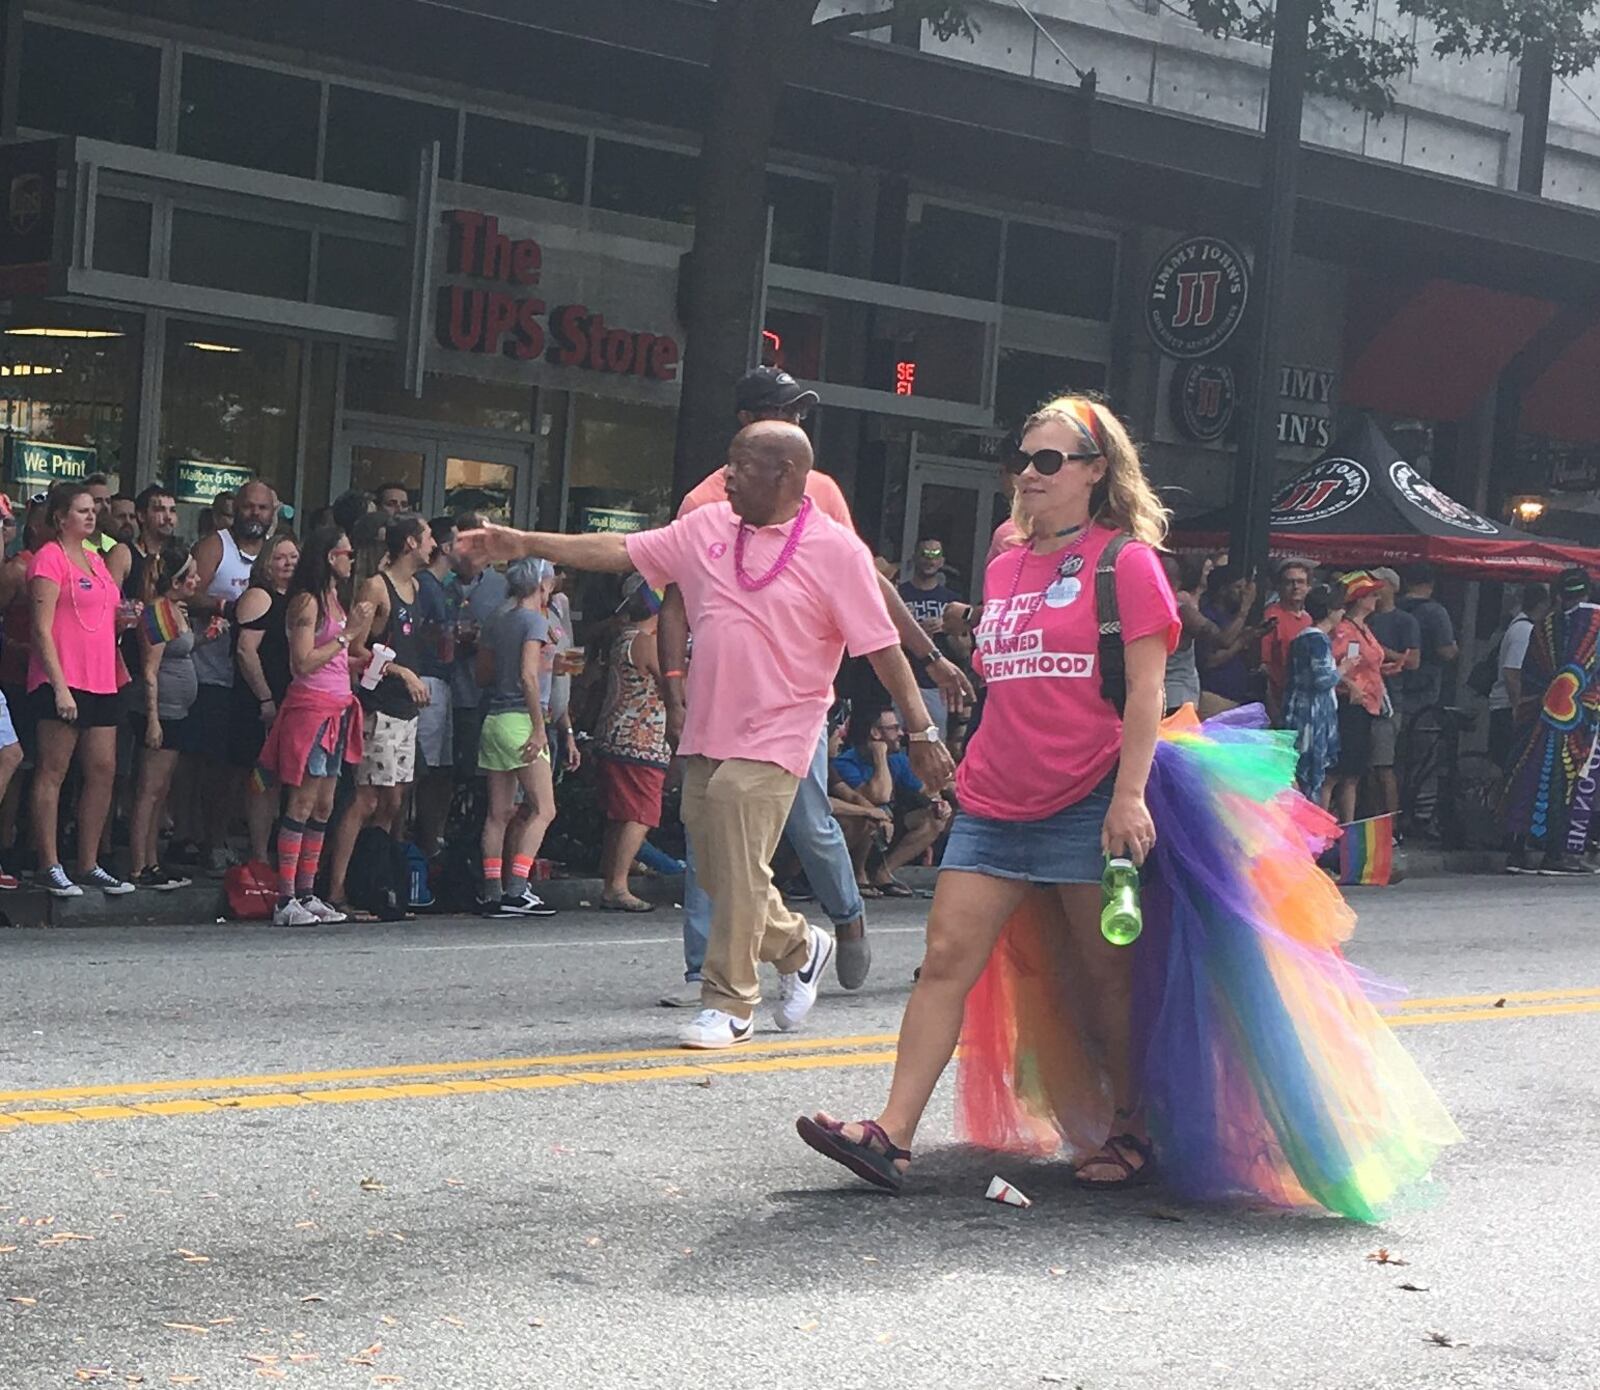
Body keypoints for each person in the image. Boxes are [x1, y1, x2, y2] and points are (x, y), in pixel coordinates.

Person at [795, 396, 1460, 1219]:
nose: (1028, 474)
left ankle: (1130, 1125)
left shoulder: (1128, 564)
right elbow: (1012, 683)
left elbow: (1148, 691)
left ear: (1095, 471)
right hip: (997, 799)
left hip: (1089, 798)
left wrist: (1129, 797)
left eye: (1049, 460)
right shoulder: (1005, 564)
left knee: (1106, 978)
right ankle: (890, 1135)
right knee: (944, 961)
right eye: (1021, 457)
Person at [459, 420, 952, 1049]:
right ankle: (800, 946)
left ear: (786, 475)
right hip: (709, 728)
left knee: (737, 855)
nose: (726, 476)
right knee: (720, 872)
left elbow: (882, 650)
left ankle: (729, 1001)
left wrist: (922, 729)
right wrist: (522, 541)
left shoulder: (837, 551)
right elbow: (619, 551)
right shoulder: (709, 527)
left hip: (782, 730)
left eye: (741, 466)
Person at [660, 367, 972, 998]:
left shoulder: (819, 489)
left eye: (801, 416)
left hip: (794, 701)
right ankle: (707, 968)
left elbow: (869, 582)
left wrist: (929, 653)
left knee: (811, 822)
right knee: (709, 830)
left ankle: (846, 919)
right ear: (748, 422)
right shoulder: (705, 500)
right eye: (784, 413)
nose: (798, 425)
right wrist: (674, 685)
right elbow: (672, 600)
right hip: (723, 700)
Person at [258, 527, 375, 926]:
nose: (351, 559)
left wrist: (359, 659)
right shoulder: (308, 601)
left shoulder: (333, 600)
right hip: (311, 709)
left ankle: (306, 892)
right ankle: (285, 896)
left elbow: (332, 655)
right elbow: (303, 661)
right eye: (347, 552)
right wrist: (346, 637)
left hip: (338, 705)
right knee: (303, 801)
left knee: (324, 804)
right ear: (330, 556)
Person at [27, 481, 138, 898]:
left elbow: (104, 615)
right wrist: (58, 687)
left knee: (103, 770)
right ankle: (49, 863)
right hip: (63, 677)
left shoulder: (96, 558)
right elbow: (41, 628)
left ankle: (89, 861)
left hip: (101, 677)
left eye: (93, 510)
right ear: (60, 517)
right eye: (82, 511)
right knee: (53, 770)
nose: (91, 517)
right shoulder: (49, 559)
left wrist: (124, 621)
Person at [324, 514, 435, 913]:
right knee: (367, 797)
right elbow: (353, 648)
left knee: (394, 800)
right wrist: (400, 671)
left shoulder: (417, 586)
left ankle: (374, 877)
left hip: (407, 709)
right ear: (409, 543)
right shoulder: (377, 586)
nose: (433, 545)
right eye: (428, 538)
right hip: (380, 705)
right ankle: (336, 885)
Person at [189, 479, 278, 872]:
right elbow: (187, 592)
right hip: (211, 672)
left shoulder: (277, 553)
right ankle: (205, 839)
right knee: (212, 766)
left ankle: (243, 840)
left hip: (255, 679)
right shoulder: (215, 546)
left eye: (262, 508)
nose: (255, 514)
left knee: (248, 766)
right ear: (235, 508)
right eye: (248, 507)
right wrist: (229, 607)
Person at [474, 557, 560, 918]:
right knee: (544, 808)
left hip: (494, 718)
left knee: (498, 813)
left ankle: (491, 890)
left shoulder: (499, 619)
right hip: (521, 720)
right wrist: (540, 727)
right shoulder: (535, 621)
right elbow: (529, 677)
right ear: (542, 586)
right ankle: (518, 887)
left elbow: (483, 673)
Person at [1502, 568, 1600, 875]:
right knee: (1573, 780)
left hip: (1540, 714)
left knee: (1527, 773)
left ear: (1559, 595)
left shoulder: (1543, 625)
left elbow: (1531, 672)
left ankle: (1518, 850)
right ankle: (1558, 853)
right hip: (1580, 717)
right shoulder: (1596, 623)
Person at [129, 544, 206, 890]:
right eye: (191, 575)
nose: (198, 580)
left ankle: (152, 860)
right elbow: (149, 670)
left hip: (179, 709)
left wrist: (205, 638)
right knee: (148, 789)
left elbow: (181, 649)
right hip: (162, 711)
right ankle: (137, 865)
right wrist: (153, 719)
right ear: (176, 581)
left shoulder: (177, 609)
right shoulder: (156, 613)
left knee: (161, 791)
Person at [593, 574, 670, 913]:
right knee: (641, 814)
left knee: (620, 814)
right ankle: (617, 885)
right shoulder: (646, 642)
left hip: (615, 733)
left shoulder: (621, 636)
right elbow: (675, 683)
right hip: (641, 740)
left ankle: (612, 874)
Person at [830, 707, 952, 896]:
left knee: (935, 818)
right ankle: (858, 873)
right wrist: (880, 756)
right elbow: (880, 796)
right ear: (875, 733)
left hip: (889, 827)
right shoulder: (846, 763)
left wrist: (938, 801)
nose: (901, 734)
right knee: (870, 818)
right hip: (859, 830)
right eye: (894, 728)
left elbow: (923, 790)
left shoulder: (898, 759)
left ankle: (884, 874)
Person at [232, 534, 300, 864]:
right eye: (280, 557)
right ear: (266, 563)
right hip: (261, 701)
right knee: (263, 779)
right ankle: (258, 854)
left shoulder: (300, 599)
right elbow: (246, 651)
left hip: (292, 699)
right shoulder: (260, 596)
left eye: (293, 557)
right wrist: (265, 698)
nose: (288, 563)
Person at [412, 516, 458, 859]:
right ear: (444, 547)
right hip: (426, 679)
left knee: (439, 769)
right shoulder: (425, 585)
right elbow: (420, 634)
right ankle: (408, 841)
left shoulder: (442, 586)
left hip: (442, 680)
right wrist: (448, 636)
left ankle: (430, 842)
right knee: (421, 767)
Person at [1282, 582, 1353, 806]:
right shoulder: (1318, 640)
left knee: (1299, 773)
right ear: (1330, 610)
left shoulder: (1302, 638)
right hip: (1311, 717)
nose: (1343, 611)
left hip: (1297, 710)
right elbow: (1323, 680)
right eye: (1340, 606)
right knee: (1310, 774)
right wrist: (1344, 668)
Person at [449, 511, 509, 774]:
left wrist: (482, 640)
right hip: (439, 689)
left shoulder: (503, 586)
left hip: (484, 693)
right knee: (438, 769)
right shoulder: (435, 581)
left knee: (479, 768)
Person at [1327, 572, 1387, 827]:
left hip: (1367, 704)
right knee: (1341, 771)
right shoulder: (1345, 630)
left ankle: (1348, 826)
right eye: (1371, 594)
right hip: (1350, 705)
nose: (1377, 598)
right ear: (1359, 599)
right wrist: (1350, 684)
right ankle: (1334, 824)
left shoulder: (1364, 629)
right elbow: (1333, 664)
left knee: (1354, 772)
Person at [1365, 566, 1419, 821]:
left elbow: (1414, 661)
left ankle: (1392, 824)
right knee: (1367, 768)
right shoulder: (1367, 618)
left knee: (1384, 766)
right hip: (1364, 699)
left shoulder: (1405, 621)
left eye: (1377, 583)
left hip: (1390, 701)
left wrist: (1380, 650)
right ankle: (1371, 820)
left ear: (1390, 586)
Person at [897, 539, 964, 739]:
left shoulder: (952, 600)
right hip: (900, 681)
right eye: (925, 554)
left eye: (935, 555)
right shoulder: (899, 595)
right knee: (892, 744)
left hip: (936, 686)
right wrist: (907, 631)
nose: (930, 560)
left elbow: (964, 651)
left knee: (934, 747)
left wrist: (947, 628)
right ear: (915, 558)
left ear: (942, 561)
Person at [1487, 582, 1550, 771]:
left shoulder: (1518, 625)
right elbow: (1512, 671)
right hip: (1507, 708)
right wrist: (1518, 707)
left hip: (1506, 706)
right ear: (1542, 604)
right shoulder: (1525, 631)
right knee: (1512, 766)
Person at [1196, 564, 1258, 716]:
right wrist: (1244, 610)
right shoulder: (1207, 616)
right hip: (1214, 698)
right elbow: (1210, 660)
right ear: (1223, 590)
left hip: (1236, 699)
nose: (1243, 593)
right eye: (1238, 587)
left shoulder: (1231, 618)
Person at [1259, 559, 1314, 722]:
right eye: (1290, 582)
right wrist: (1271, 706)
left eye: (1301, 582)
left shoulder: (1308, 619)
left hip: (1304, 702)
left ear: (1308, 587)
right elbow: (1263, 666)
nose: (1296, 587)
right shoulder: (1271, 616)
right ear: (1279, 587)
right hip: (1279, 701)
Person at [1161, 553, 1212, 717]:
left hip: (1160, 691)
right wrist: (1244, 611)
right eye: (1207, 571)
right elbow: (1220, 638)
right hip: (1179, 693)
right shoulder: (1180, 607)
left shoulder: (1145, 606)